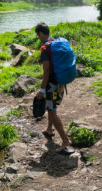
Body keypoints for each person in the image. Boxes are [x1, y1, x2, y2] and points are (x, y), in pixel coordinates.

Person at [33, 22, 74, 155]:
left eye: (38, 35)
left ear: (40, 33)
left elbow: (47, 70)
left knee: (52, 111)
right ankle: (49, 129)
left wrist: (42, 89)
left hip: (51, 86)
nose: (38, 38)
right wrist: (60, 84)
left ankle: (65, 140)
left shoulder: (45, 48)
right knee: (53, 108)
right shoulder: (56, 43)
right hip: (60, 84)